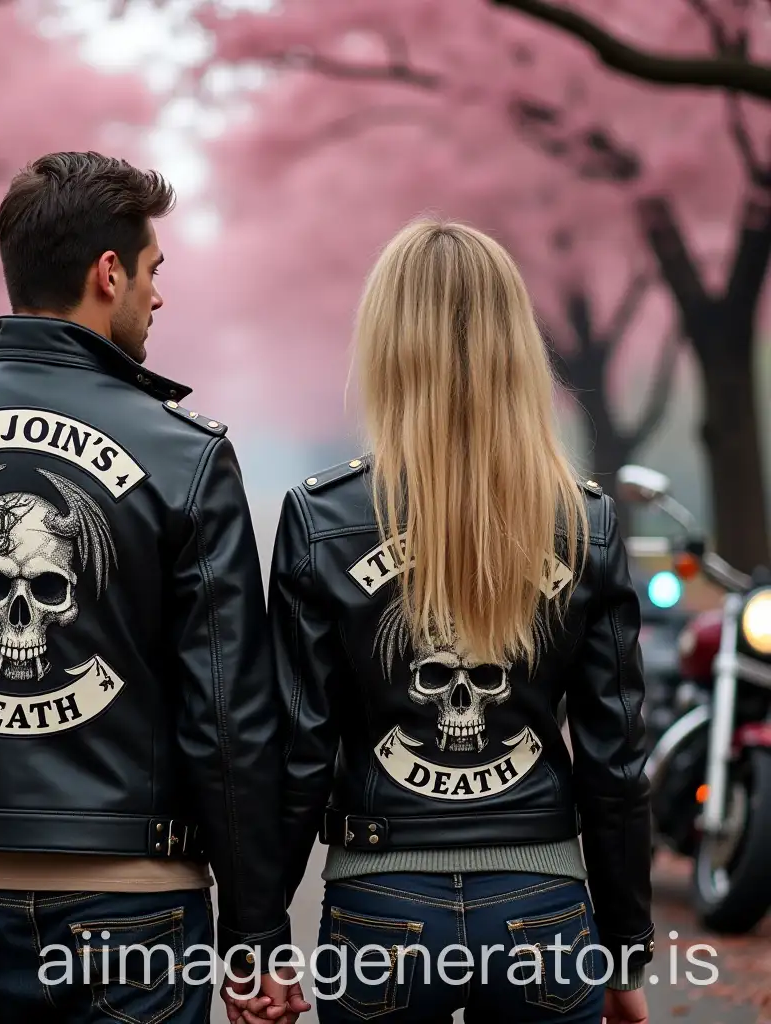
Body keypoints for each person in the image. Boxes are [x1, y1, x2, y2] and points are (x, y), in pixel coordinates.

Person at [0, 151, 305, 1023]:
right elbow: (231, 720)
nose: (159, 296)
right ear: (107, 272)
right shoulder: (185, 457)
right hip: (142, 910)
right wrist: (256, 935)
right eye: (154, 271)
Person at [250, 220, 654, 1023]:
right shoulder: (586, 523)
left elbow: (295, 751)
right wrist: (625, 950)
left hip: (379, 902)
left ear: (386, 347)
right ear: (517, 347)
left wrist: (260, 939)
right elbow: (615, 761)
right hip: (543, 908)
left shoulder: (322, 517)